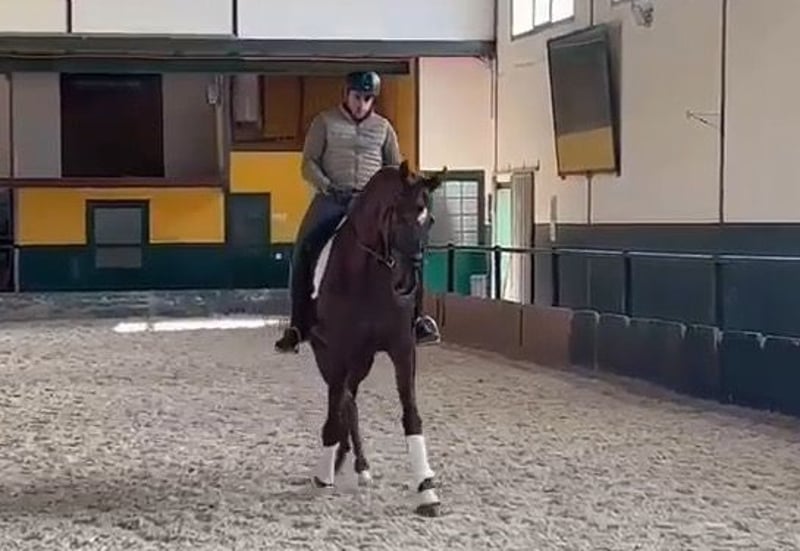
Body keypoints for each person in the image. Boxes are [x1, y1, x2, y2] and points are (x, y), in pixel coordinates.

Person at [274, 70, 441, 354]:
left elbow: (394, 167)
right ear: (346, 94)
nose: (361, 104)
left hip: (372, 201)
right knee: (304, 248)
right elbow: (309, 163)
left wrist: (411, 186)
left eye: (367, 98)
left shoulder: (384, 128)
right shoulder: (324, 122)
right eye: (357, 97)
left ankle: (416, 320)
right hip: (333, 198)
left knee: (409, 247)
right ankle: (297, 325)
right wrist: (327, 186)